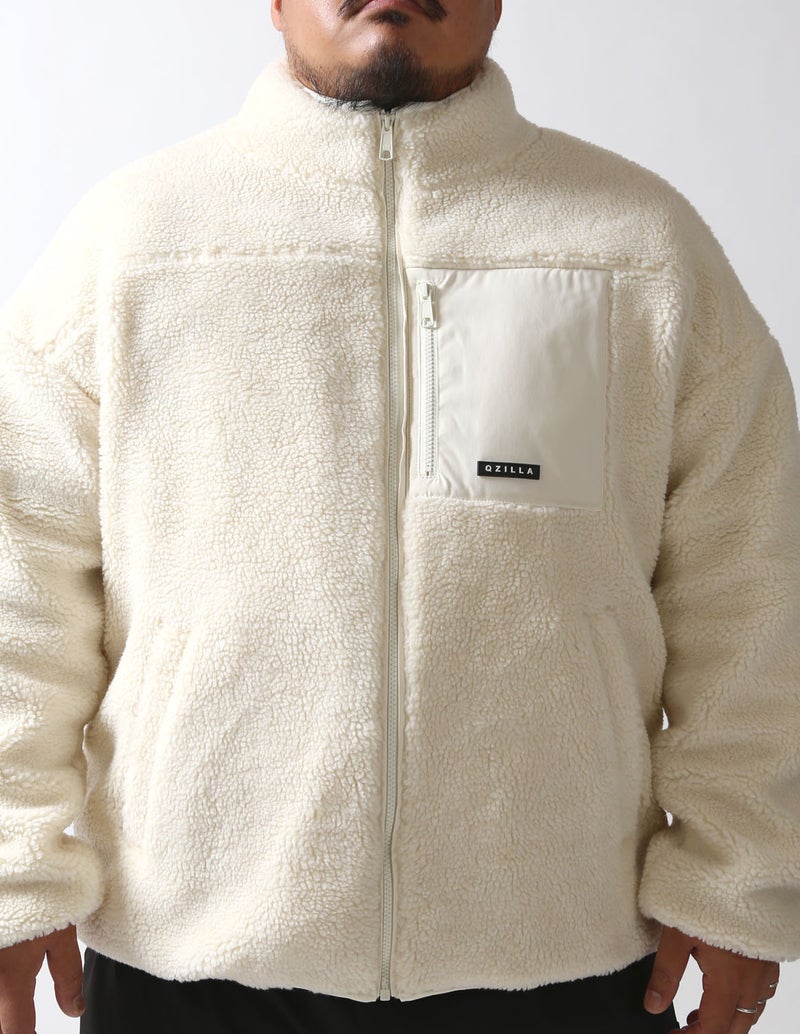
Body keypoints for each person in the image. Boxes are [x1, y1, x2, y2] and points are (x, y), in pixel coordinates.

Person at [0, 0, 797, 1031]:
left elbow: (751, 587)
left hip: (555, 952)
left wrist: (739, 875)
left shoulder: (636, 246)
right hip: (189, 953)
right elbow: (18, 579)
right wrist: (11, 868)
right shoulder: (134, 245)